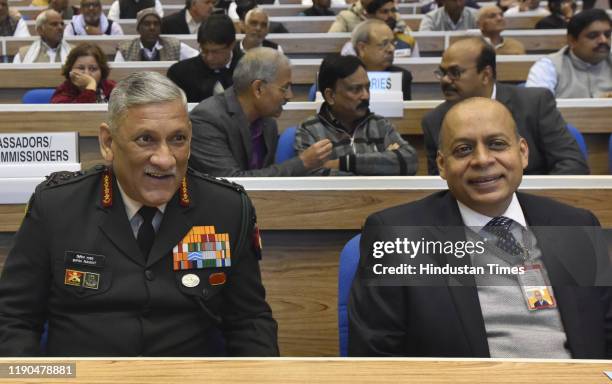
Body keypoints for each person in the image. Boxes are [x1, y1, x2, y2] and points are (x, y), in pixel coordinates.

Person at [0, 71, 279, 356]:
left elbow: (249, 323)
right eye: (146, 139)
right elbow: (14, 319)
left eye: (178, 139)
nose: (164, 159)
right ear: (108, 143)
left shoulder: (226, 209)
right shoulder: (57, 206)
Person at [349, 97, 612, 358]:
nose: (482, 160)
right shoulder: (398, 236)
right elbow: (374, 356)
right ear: (442, 164)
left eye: (497, 144)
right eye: (463, 149)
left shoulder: (575, 225)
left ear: (522, 153)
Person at [421, 37, 588, 175]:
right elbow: (440, 183)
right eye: (442, 73)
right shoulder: (435, 121)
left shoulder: (534, 103)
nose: (445, 80)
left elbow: (572, 164)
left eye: (454, 73)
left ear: (486, 75)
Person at [189, 47, 333, 177]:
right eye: (284, 88)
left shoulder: (267, 122)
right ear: (258, 89)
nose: (290, 96)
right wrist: (302, 163)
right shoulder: (206, 120)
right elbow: (231, 182)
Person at [295, 54, 417, 176]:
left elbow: (410, 161)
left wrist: (344, 163)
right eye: (355, 89)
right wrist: (382, 165)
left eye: (367, 87)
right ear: (330, 95)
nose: (365, 95)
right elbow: (312, 176)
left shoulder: (380, 125)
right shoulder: (310, 129)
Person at [526, 9, 611, 98]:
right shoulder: (549, 66)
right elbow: (537, 106)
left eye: (607, 34)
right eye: (593, 36)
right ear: (572, 41)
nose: (603, 40)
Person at [167, 14, 243, 103]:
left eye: (215, 52)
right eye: (204, 50)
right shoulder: (180, 73)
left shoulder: (249, 70)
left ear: (232, 45)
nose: (209, 58)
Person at [351, 20, 413, 100]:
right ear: (362, 48)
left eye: (392, 43)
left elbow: (405, 111)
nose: (392, 49)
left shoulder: (402, 77)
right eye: (384, 44)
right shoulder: (345, 77)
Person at [115, 8, 198, 62]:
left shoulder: (174, 45)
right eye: (147, 24)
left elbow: (197, 58)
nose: (152, 28)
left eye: (156, 24)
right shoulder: (125, 49)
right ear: (138, 29)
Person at [50, 42, 116, 103]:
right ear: (70, 70)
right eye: (80, 68)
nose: (86, 73)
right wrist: (91, 85)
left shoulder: (112, 88)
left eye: (93, 69)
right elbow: (81, 114)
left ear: (102, 71)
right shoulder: (63, 91)